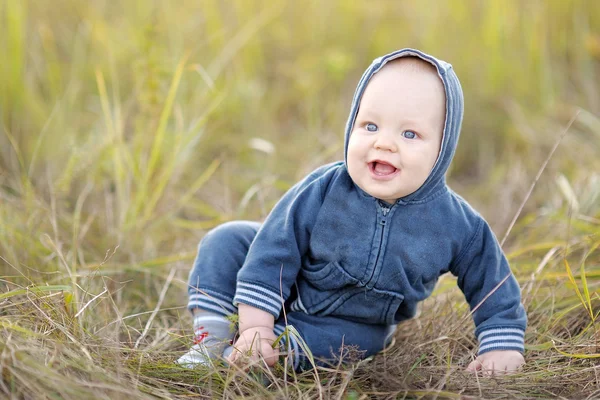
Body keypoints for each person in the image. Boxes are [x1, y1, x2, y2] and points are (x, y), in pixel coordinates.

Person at [176, 48, 527, 374]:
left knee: (347, 344)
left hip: (355, 323)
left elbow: (491, 282)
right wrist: (256, 326)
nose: (384, 142)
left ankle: (276, 352)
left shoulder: (455, 224)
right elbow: (274, 249)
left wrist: (502, 343)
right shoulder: (325, 189)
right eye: (370, 126)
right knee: (228, 240)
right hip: (294, 281)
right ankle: (215, 337)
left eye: (409, 134)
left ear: (443, 147)